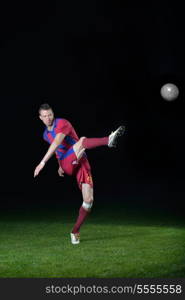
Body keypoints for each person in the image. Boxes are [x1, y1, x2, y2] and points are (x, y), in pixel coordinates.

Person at [34, 103, 125, 244]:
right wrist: (48, 163)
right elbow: (58, 147)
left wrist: (54, 163)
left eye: (50, 114)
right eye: (45, 116)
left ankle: (75, 231)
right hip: (67, 163)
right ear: (40, 118)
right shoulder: (45, 135)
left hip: (81, 161)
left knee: (88, 201)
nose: (48, 118)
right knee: (82, 141)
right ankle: (108, 140)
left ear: (53, 114)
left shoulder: (62, 123)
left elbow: (58, 141)